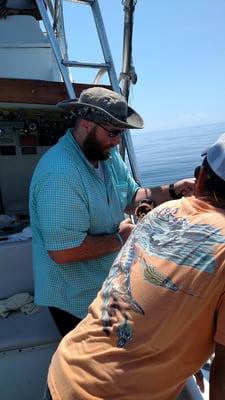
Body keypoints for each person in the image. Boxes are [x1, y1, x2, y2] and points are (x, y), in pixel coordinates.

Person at [46, 132, 225, 400]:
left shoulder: (161, 212)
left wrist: (188, 355)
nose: (116, 139)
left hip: (67, 368)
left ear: (200, 178)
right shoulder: (60, 170)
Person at [29, 87, 194, 336]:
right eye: (113, 132)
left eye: (121, 133)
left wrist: (173, 189)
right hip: (75, 300)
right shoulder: (60, 175)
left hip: (107, 285)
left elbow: (129, 197)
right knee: (94, 369)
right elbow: (63, 252)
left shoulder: (106, 154)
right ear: (86, 124)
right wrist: (120, 238)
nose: (117, 140)